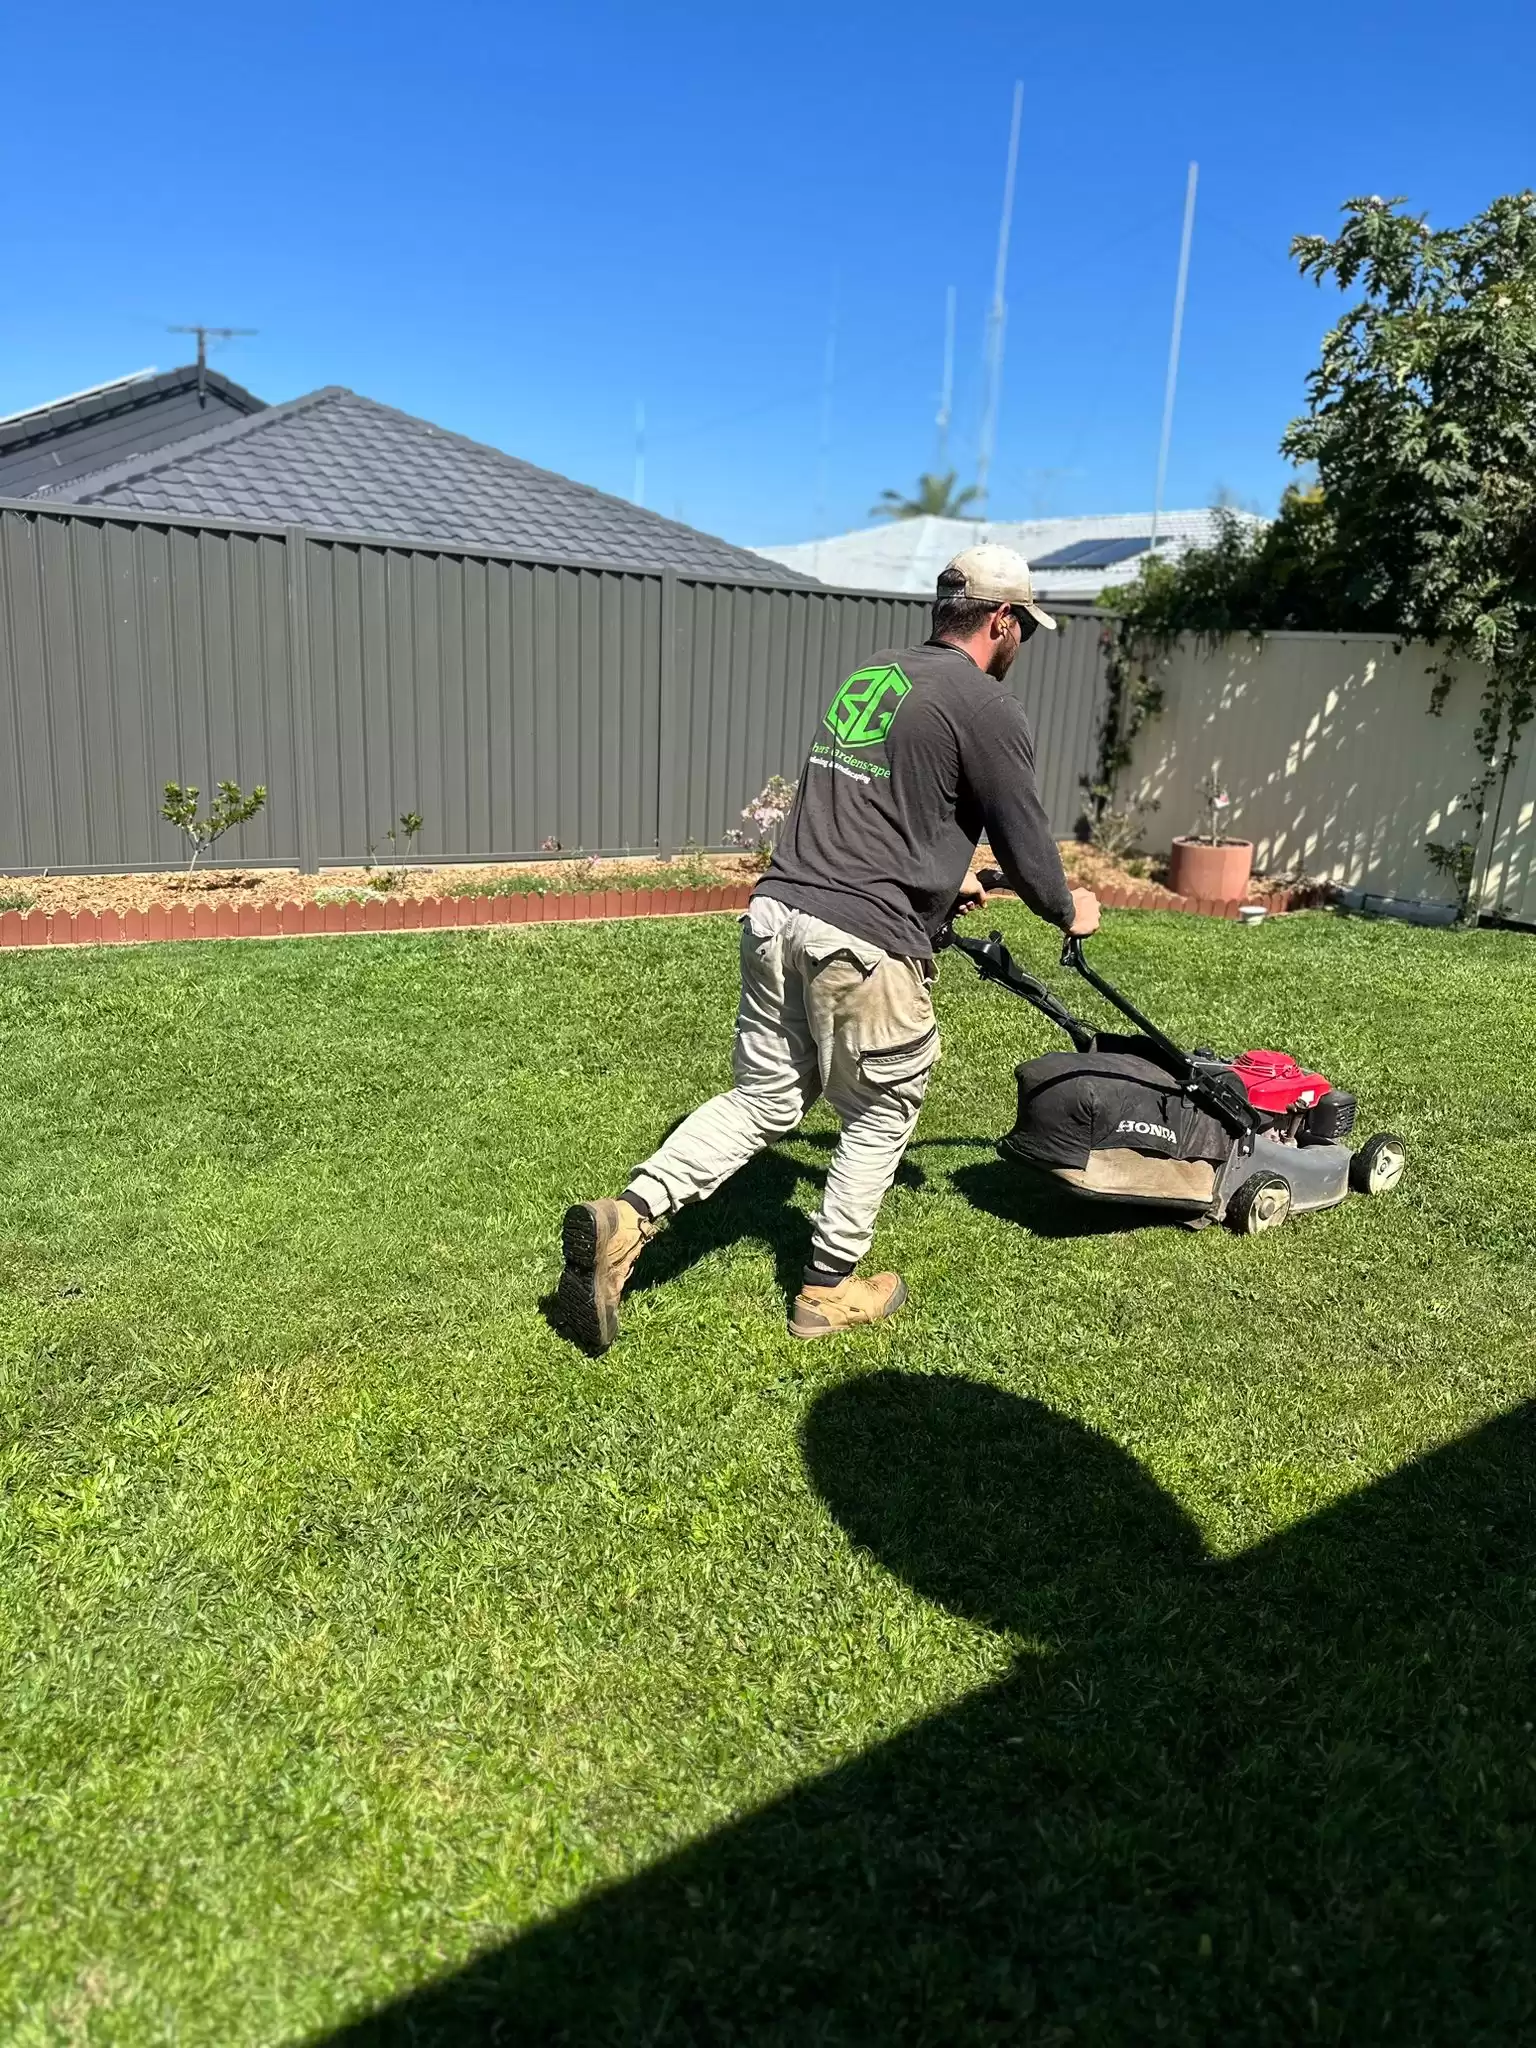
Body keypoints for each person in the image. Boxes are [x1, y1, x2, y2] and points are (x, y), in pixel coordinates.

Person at [557, 544, 1100, 1350]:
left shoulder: (874, 675)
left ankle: (627, 1220)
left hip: (779, 913)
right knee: (881, 1109)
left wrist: (944, 884)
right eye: (1024, 625)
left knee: (764, 1101)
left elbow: (876, 812)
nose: (1021, 641)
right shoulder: (986, 706)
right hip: (862, 941)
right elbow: (1025, 839)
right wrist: (1066, 906)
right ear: (1001, 619)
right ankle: (825, 1289)